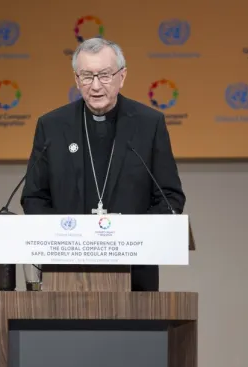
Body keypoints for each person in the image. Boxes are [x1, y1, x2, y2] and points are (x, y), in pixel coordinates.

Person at [20, 37, 185, 291]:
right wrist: (68, 239)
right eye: (87, 76)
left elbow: (170, 197)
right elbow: (33, 197)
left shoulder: (149, 124)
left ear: (122, 76)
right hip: (65, 274)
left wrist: (131, 237)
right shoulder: (52, 126)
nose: (95, 86)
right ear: (76, 80)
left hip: (136, 273)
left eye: (105, 75)